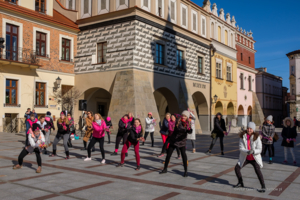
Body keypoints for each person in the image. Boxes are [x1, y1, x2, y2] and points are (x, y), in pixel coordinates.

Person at [234, 122, 266, 193]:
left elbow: (260, 149)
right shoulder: (243, 136)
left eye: (251, 129)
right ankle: (240, 182)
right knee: (237, 168)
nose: (249, 130)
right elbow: (241, 147)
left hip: (254, 158)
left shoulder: (256, 137)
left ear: (253, 130)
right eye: (248, 128)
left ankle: (263, 186)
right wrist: (247, 151)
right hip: (246, 157)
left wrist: (253, 151)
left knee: (258, 171)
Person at [160, 110, 193, 177]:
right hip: (174, 140)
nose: (183, 117)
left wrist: (189, 130)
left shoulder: (188, 123)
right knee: (168, 155)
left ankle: (186, 171)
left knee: (184, 156)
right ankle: (165, 169)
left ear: (187, 117)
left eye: (185, 116)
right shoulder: (178, 121)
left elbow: (189, 131)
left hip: (182, 142)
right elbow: (177, 129)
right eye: (183, 115)